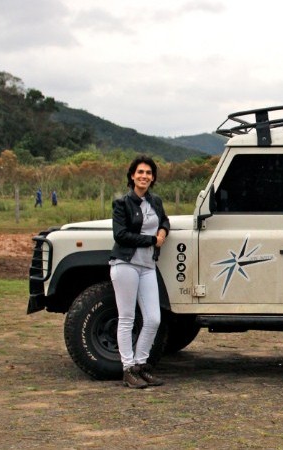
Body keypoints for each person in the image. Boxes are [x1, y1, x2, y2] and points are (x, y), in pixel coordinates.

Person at [110, 155, 170, 388]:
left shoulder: (155, 201)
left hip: (147, 266)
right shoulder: (122, 203)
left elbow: (164, 220)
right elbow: (120, 235)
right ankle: (128, 369)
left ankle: (141, 365)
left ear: (153, 177)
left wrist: (163, 233)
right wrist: (151, 240)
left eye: (148, 173)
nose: (144, 176)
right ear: (132, 176)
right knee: (127, 318)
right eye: (140, 172)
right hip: (125, 264)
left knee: (153, 318)